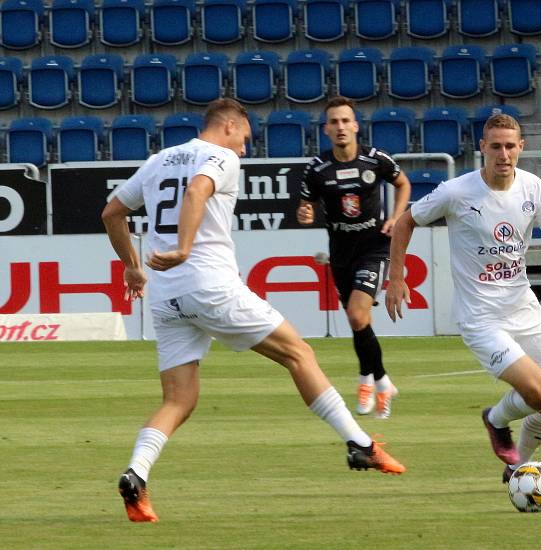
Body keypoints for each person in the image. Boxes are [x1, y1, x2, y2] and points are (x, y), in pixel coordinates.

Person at [102, 99, 405, 523]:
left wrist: (133, 267)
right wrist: (185, 249)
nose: (244, 149)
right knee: (298, 354)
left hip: (166, 296)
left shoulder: (159, 160)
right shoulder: (221, 156)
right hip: (209, 285)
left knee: (179, 398)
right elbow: (196, 190)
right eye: (245, 138)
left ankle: (136, 474)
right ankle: (359, 444)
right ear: (229, 126)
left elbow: (112, 212)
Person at [385, 114, 541, 483]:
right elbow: (404, 223)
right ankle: (495, 419)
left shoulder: (533, 187)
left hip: (523, 306)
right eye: (496, 146)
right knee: (538, 393)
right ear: (482, 148)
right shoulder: (456, 192)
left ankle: (516, 466)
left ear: (521, 148)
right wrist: (397, 276)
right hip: (482, 317)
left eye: (510, 146)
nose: (503, 154)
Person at [297, 96, 411, 419]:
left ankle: (375, 383)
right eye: (334, 122)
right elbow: (304, 207)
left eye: (346, 121)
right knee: (356, 320)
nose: (340, 127)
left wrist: (396, 218)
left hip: (374, 247)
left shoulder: (375, 160)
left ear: (356, 126)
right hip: (341, 253)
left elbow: (403, 183)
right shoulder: (317, 169)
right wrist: (305, 214)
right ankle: (376, 379)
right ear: (326, 130)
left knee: (358, 315)